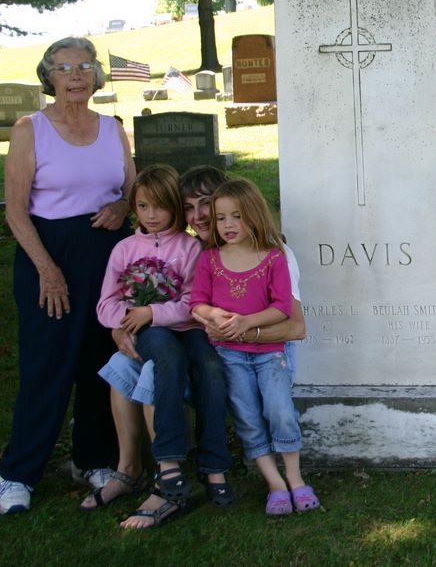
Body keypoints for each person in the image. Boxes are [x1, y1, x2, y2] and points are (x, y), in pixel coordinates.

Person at [87, 166, 307, 517]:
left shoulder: (272, 253)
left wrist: (238, 330)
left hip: (248, 355)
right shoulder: (199, 251)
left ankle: (169, 478)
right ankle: (131, 467)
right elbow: (189, 305)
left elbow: (295, 327)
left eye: (207, 204)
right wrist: (122, 323)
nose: (199, 215)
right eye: (189, 207)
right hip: (197, 347)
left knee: (155, 372)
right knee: (120, 365)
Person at [1, 37, 134, 515]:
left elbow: (133, 188)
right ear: (49, 76)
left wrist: (122, 206)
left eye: (83, 66)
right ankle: (18, 473)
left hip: (107, 254)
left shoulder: (112, 128)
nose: (76, 75)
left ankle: (93, 458)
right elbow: (15, 212)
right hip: (48, 254)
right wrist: (47, 269)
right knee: (46, 364)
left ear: (96, 75)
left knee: (100, 359)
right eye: (64, 68)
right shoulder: (30, 129)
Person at [94, 164, 232, 528]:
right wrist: (128, 319)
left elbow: (193, 301)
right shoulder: (124, 249)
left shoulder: (189, 247)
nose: (152, 215)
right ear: (134, 208)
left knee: (208, 368)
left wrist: (152, 311)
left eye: (160, 206)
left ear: (173, 207)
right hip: (150, 331)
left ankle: (209, 465)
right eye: (143, 206)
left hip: (185, 327)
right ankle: (163, 466)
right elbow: (106, 303)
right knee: (161, 361)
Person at [192, 178, 318, 516]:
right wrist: (212, 314)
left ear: (254, 215)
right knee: (246, 415)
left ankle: (295, 479)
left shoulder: (273, 257)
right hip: (229, 354)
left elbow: (283, 307)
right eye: (221, 218)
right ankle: (274, 483)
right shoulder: (210, 259)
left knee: (280, 410)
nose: (228, 225)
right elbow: (197, 303)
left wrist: (248, 323)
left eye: (237, 216)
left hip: (270, 353)